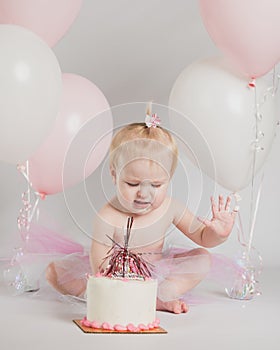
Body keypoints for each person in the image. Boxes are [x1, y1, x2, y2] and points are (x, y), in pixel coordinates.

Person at [46, 111, 237, 314]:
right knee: (54, 273)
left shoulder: (170, 207)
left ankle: (160, 297)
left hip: (155, 278)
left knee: (202, 258)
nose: (144, 193)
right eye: (133, 183)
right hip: (115, 277)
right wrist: (113, 283)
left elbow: (201, 236)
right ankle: (101, 297)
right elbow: (100, 266)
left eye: (156, 184)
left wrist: (218, 234)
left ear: (169, 178)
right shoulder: (107, 216)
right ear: (114, 175)